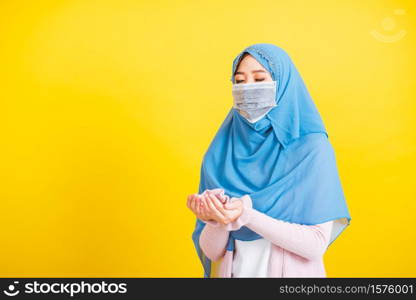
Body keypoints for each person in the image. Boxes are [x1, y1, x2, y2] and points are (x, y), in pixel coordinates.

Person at [186, 43, 351, 278]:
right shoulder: (219, 155)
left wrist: (246, 214)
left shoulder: (312, 149)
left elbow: (315, 245)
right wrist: (216, 220)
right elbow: (212, 252)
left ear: (283, 84)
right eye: (240, 81)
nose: (248, 88)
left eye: (260, 78)